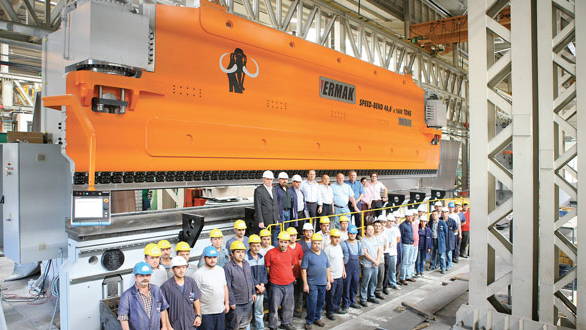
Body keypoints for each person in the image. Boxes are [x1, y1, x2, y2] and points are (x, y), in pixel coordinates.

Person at [118, 262, 171, 330]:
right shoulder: (127, 296)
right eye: (141, 276)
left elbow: (163, 309)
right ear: (135, 277)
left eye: (147, 275)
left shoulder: (156, 290)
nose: (145, 278)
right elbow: (123, 318)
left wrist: (164, 326)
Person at [264, 232, 296, 330]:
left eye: (285, 242)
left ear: (288, 242)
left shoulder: (291, 252)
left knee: (288, 306)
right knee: (274, 306)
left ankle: (286, 323)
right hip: (275, 285)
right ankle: (273, 325)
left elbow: (292, 265)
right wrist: (276, 276)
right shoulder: (270, 253)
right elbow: (267, 268)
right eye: (281, 242)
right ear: (278, 241)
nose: (283, 244)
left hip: (289, 284)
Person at [193, 246, 230, 330]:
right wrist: (198, 314)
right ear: (204, 258)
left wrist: (227, 303)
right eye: (209, 258)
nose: (212, 260)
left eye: (214, 257)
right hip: (206, 313)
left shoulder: (220, 270)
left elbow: (225, 287)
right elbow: (196, 297)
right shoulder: (198, 274)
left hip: (220, 310)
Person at [160, 256, 202, 330]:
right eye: (178, 268)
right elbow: (164, 309)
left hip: (191, 323)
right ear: (172, 269)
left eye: (183, 267)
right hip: (175, 325)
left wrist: (198, 315)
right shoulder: (166, 287)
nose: (181, 270)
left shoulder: (191, 282)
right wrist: (168, 326)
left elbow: (196, 300)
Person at [301, 233, 331, 329]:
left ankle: (317, 318)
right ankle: (309, 321)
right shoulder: (307, 254)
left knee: (320, 302)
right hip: (312, 284)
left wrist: (328, 281)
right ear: (312, 244)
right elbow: (303, 270)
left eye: (318, 243)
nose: (317, 245)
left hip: (323, 283)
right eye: (314, 243)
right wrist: (305, 284)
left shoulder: (323, 253)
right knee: (312, 302)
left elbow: (327, 268)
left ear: (321, 244)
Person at [224, 241, 256, 330]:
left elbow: (251, 279)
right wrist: (232, 301)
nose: (241, 254)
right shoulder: (228, 267)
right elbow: (228, 286)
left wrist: (253, 292)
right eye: (238, 252)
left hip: (248, 300)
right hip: (237, 304)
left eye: (242, 252)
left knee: (245, 324)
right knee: (234, 326)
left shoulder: (246, 264)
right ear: (232, 254)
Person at [247, 235, 268, 330]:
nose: (256, 248)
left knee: (259, 311)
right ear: (250, 246)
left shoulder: (261, 257)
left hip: (260, 289)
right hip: (250, 290)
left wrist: (262, 284)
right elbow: (248, 274)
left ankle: (260, 327)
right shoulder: (246, 258)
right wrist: (256, 285)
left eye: (258, 245)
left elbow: (264, 272)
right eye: (254, 245)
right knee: (248, 312)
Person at [324, 228, 346, 320]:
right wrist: (329, 278)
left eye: (338, 237)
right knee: (330, 296)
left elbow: (341, 259)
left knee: (338, 293)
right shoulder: (327, 249)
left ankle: (336, 307)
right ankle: (330, 312)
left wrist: (343, 271)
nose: (337, 239)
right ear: (331, 237)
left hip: (339, 275)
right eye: (335, 237)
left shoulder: (339, 246)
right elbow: (325, 265)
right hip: (332, 276)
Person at [359, 224, 382, 306]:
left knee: (373, 281)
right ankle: (363, 299)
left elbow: (380, 249)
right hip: (367, 265)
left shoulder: (375, 238)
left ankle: (371, 296)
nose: (371, 231)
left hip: (375, 264)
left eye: (372, 230)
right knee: (365, 282)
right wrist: (374, 261)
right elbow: (365, 253)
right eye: (369, 229)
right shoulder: (363, 240)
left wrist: (378, 260)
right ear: (365, 231)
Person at [341, 225, 362, 310]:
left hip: (356, 267)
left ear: (356, 234)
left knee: (355, 284)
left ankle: (353, 301)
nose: (352, 235)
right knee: (346, 285)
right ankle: (346, 303)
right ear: (348, 233)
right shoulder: (343, 243)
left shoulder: (358, 243)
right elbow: (341, 257)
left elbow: (360, 255)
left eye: (354, 233)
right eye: (350, 233)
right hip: (347, 267)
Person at [286, 227, 305, 318]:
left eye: (294, 235)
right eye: (291, 236)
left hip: (298, 273)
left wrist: (302, 273)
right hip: (289, 275)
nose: (293, 237)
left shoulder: (299, 246)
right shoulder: (285, 247)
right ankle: (290, 311)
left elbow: (301, 259)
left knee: (299, 292)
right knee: (290, 294)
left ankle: (298, 310)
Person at [254, 170, 280, 235]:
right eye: (267, 179)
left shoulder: (273, 189)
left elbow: (276, 205)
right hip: (265, 221)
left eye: (271, 179)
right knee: (264, 238)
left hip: (273, 220)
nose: (269, 181)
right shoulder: (259, 190)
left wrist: (277, 218)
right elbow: (258, 207)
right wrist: (260, 221)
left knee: (272, 238)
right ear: (263, 179)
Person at [383, 213, 401, 291]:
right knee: (385, 270)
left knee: (393, 269)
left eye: (392, 221)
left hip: (393, 252)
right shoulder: (383, 229)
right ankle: (385, 285)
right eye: (389, 221)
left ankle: (393, 283)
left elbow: (398, 239)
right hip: (385, 252)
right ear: (386, 221)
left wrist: (392, 244)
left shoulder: (396, 229)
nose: (390, 222)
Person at [373, 218, 388, 299]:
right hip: (372, 260)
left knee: (380, 276)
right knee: (373, 278)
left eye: (379, 226)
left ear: (381, 227)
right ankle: (371, 293)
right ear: (373, 227)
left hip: (381, 259)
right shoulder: (371, 236)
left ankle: (378, 292)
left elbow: (385, 247)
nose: (377, 227)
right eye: (375, 226)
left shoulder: (383, 237)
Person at [399, 212, 415, 285]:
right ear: (406, 217)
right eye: (408, 216)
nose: (410, 218)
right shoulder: (402, 225)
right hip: (405, 245)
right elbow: (401, 236)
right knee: (404, 262)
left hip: (411, 244)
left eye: (411, 216)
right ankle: (402, 278)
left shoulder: (410, 224)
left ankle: (408, 276)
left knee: (409, 261)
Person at [409, 209, 420, 278]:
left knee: (414, 259)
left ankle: (412, 273)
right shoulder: (409, 223)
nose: (415, 216)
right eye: (413, 215)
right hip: (411, 244)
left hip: (416, 243)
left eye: (416, 215)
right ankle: (409, 274)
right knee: (410, 260)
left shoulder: (417, 222)